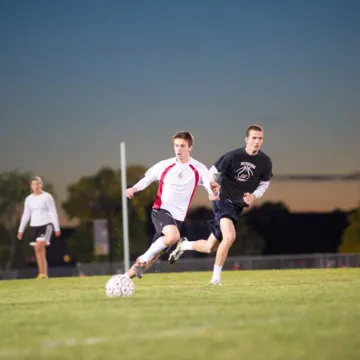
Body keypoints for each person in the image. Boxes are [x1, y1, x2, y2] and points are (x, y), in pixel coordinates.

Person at [168, 125, 273, 285]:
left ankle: (184, 244)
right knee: (230, 236)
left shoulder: (265, 161)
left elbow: (264, 184)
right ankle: (215, 279)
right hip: (222, 200)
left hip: (237, 207)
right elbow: (211, 173)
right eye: (253, 138)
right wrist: (212, 187)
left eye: (260, 138)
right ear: (246, 139)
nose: (257, 141)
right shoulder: (232, 156)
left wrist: (254, 195)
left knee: (210, 247)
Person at [123, 131, 220, 279]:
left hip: (177, 219)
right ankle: (142, 259)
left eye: (182, 146)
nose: (178, 149)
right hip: (161, 210)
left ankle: (123, 279)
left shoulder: (198, 168)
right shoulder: (165, 165)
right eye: (176, 146)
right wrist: (134, 188)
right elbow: (147, 179)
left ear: (190, 147)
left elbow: (208, 185)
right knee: (173, 236)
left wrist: (212, 193)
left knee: (154, 255)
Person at [17, 176, 61, 279]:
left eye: (38, 184)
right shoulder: (28, 199)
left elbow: (53, 212)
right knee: (38, 251)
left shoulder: (47, 197)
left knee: (39, 247)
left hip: (46, 224)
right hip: (34, 226)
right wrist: (21, 230)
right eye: (34, 184)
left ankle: (43, 273)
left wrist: (57, 228)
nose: (36, 186)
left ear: (41, 185)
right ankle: (43, 273)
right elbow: (26, 214)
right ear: (31, 186)